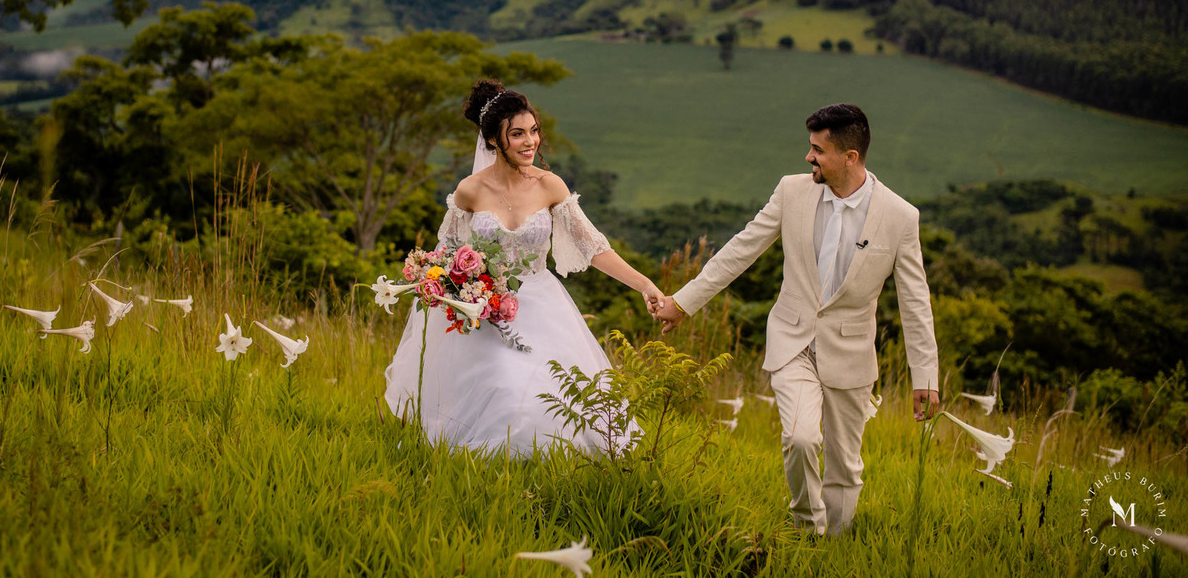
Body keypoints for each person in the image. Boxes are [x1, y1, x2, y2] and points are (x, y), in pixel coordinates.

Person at [649, 103, 940, 536]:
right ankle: (807, 528)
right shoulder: (791, 191)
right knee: (802, 438)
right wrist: (684, 302)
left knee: (845, 463)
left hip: (851, 351)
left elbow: (915, 301)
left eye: (818, 150)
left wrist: (926, 377)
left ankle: (836, 541)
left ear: (850, 157)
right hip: (792, 340)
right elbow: (739, 250)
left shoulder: (900, 217)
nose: (808, 158)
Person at [384, 79, 658, 456]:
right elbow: (445, 255)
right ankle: (493, 470)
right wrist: (451, 287)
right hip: (484, 311)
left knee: (548, 396)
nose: (530, 142)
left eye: (534, 132)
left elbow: (592, 247)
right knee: (505, 389)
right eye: (517, 134)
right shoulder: (469, 190)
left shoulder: (550, 186)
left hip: (542, 306)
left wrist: (645, 285)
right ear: (494, 140)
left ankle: (551, 473)